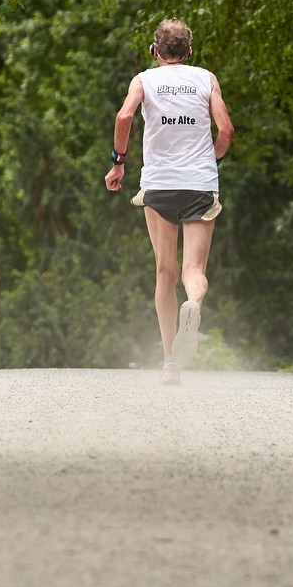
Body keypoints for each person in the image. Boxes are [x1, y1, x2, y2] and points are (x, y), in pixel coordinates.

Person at [104, 19, 234, 385]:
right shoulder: (206, 78)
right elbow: (225, 130)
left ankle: (169, 363)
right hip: (199, 184)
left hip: (159, 186)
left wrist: (118, 163)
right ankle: (193, 304)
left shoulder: (143, 80)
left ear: (154, 51)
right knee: (194, 271)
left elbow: (125, 115)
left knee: (165, 272)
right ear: (189, 52)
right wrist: (214, 160)